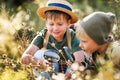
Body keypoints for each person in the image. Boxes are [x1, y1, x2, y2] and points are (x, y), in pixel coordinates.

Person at [21, 0, 84, 79]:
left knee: (76, 69)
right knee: (39, 54)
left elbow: (80, 61)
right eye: (51, 24)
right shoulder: (44, 35)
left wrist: (70, 74)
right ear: (46, 23)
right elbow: (24, 57)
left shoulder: (72, 36)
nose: (55, 28)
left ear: (68, 23)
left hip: (69, 72)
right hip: (49, 70)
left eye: (60, 24)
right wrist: (40, 63)